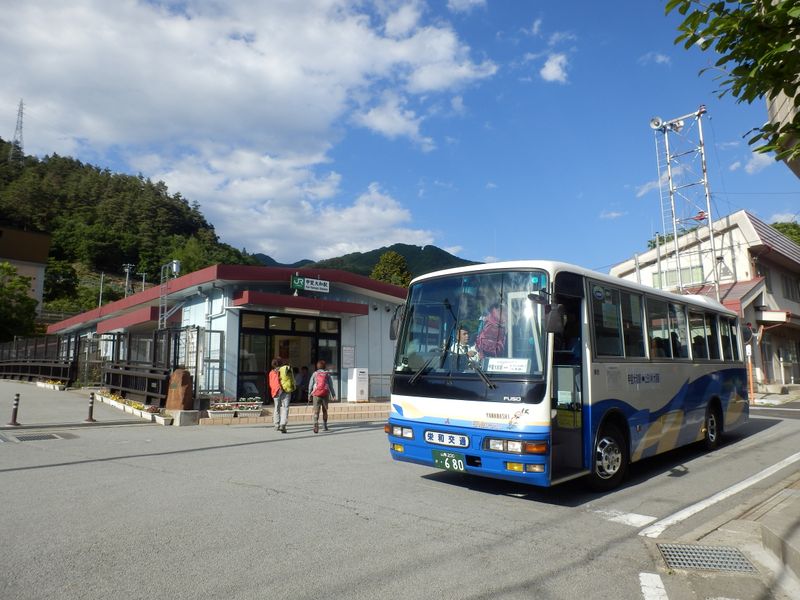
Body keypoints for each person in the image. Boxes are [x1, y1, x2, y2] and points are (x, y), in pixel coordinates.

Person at [308, 360, 336, 433]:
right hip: (325, 394)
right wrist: (333, 395)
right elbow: (331, 386)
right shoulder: (327, 374)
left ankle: (315, 423)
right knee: (325, 410)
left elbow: (310, 385)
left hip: (316, 394)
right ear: (324, 366)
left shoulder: (315, 374)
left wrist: (309, 394)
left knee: (316, 411)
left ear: (317, 366)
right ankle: (324, 426)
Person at [268, 357, 294, 433]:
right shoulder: (284, 370)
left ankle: (276, 425)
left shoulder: (271, 372)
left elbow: (271, 383)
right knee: (285, 407)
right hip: (285, 390)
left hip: (275, 391)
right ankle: (283, 424)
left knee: (277, 408)